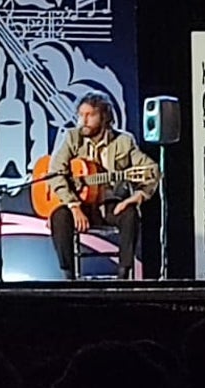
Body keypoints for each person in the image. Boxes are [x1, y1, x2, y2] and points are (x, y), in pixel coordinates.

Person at [47, 92, 159, 280]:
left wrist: (137, 197)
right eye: (81, 115)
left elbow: (152, 170)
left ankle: (124, 275)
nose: (83, 120)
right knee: (59, 216)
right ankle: (68, 277)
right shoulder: (73, 138)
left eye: (90, 115)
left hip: (111, 206)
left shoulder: (124, 142)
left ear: (104, 117)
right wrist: (73, 205)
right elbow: (55, 172)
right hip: (81, 206)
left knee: (130, 214)